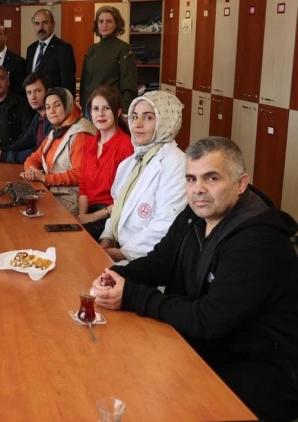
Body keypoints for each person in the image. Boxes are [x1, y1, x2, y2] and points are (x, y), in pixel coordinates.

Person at [92, 137, 298, 422]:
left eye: (212, 178)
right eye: (191, 179)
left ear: (241, 183)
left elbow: (208, 319)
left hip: (259, 370)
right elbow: (161, 261)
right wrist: (117, 275)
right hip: (205, 344)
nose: (198, 189)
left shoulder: (258, 241)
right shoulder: (195, 214)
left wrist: (132, 296)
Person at [98, 91, 187, 263]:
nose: (137, 124)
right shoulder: (133, 160)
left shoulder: (177, 163)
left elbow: (166, 224)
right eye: (134, 117)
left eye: (148, 117)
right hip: (118, 249)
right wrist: (106, 238)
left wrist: (121, 254)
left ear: (166, 122)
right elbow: (118, 207)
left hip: (145, 258)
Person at [21, 87, 96, 214]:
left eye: (57, 105)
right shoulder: (55, 132)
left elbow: (79, 174)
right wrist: (32, 171)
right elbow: (33, 158)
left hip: (72, 199)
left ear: (68, 105)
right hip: (51, 193)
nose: (52, 111)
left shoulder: (81, 133)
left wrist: (45, 178)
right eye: (48, 107)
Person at [77, 86, 134, 240]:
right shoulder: (88, 144)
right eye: (95, 109)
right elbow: (83, 186)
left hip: (112, 215)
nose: (100, 114)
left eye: (106, 108)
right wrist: (82, 216)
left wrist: (92, 217)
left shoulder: (127, 146)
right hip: (89, 211)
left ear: (118, 112)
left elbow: (126, 197)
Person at [81, 6, 138, 114]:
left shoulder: (123, 49)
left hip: (112, 108)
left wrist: (125, 111)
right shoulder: (92, 50)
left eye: (109, 21)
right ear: (97, 25)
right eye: (101, 21)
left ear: (116, 24)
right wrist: (84, 107)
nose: (104, 25)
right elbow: (85, 84)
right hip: (91, 108)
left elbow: (129, 84)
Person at [0, 72, 52, 164]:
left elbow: (39, 152)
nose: (33, 97)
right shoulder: (37, 117)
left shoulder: (53, 119)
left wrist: (3, 156)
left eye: (38, 91)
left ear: (48, 92)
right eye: (29, 92)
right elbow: (25, 142)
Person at [24, 9, 76, 97]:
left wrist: (67, 102)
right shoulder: (31, 49)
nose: (41, 28)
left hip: (54, 101)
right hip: (33, 101)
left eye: (45, 23)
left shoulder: (63, 48)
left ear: (53, 24)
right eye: (37, 23)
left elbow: (68, 83)